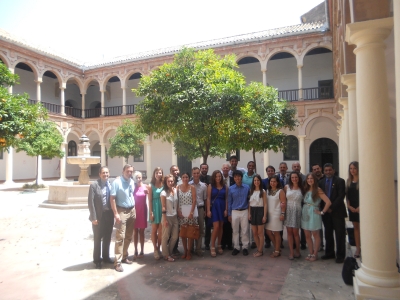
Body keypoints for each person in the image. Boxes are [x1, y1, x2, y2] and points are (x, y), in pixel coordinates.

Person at [318, 163, 347, 263]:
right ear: (324, 171)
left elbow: (341, 196)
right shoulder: (320, 182)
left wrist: (331, 207)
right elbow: (320, 198)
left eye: (330, 170)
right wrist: (325, 209)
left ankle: (340, 255)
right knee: (328, 233)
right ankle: (329, 253)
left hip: (337, 212)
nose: (328, 172)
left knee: (339, 234)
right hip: (326, 213)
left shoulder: (340, 181)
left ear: (333, 170)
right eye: (326, 170)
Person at [110, 164, 136, 272]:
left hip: (132, 210)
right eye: (127, 171)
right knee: (120, 236)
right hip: (121, 211)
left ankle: (125, 256)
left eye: (131, 171)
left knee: (129, 236)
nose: (129, 173)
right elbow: (112, 199)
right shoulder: (117, 182)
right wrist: (116, 213)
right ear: (123, 171)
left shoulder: (132, 181)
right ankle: (118, 262)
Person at [88, 166, 114, 269]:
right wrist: (93, 217)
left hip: (109, 215)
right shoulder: (94, 185)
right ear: (99, 174)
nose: (105, 174)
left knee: (108, 237)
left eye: (107, 173)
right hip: (99, 216)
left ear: (109, 173)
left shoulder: (111, 184)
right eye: (103, 173)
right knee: (98, 238)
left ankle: (106, 257)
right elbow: (91, 202)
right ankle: (97, 260)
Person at [301, 173, 331, 262]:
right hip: (305, 212)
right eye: (308, 178)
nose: (310, 180)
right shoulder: (306, 189)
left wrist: (322, 212)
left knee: (315, 234)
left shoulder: (318, 190)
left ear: (314, 180)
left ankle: (315, 253)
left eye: (311, 178)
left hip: (314, 213)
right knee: (307, 234)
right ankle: (310, 252)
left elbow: (328, 202)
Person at [228, 170, 250, 256]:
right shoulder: (231, 188)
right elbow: (229, 202)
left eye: (239, 176)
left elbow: (249, 200)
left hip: (244, 210)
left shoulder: (247, 187)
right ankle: (236, 247)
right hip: (235, 211)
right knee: (235, 230)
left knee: (245, 230)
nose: (237, 178)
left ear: (241, 177)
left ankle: (245, 247)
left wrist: (249, 212)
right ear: (234, 178)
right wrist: (229, 214)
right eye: (235, 176)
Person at [207, 170, 228, 257]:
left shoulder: (225, 186)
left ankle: (219, 245)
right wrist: (208, 210)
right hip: (214, 207)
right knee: (216, 227)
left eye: (219, 176)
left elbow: (226, 199)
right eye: (216, 176)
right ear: (214, 177)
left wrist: (226, 209)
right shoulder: (210, 186)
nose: (218, 178)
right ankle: (212, 246)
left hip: (222, 207)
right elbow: (208, 198)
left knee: (221, 227)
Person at [177, 172, 197, 260]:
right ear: (181, 178)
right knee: (183, 234)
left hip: (190, 214)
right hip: (181, 214)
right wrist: (178, 211)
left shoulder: (192, 187)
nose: (185, 178)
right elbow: (176, 200)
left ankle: (189, 252)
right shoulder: (178, 187)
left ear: (189, 178)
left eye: (187, 177)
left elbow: (194, 200)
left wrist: (191, 212)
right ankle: (185, 251)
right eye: (183, 177)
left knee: (190, 232)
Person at [284, 172, 304, 260]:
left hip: (297, 210)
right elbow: (283, 199)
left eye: (296, 177)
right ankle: (291, 252)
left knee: (296, 233)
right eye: (292, 177)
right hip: (288, 210)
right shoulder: (286, 187)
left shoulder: (302, 188)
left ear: (298, 178)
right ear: (290, 178)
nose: (294, 179)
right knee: (289, 233)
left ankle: (298, 251)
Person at [265, 175, 286, 258]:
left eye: (274, 181)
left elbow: (284, 203)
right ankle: (277, 247)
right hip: (269, 214)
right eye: (271, 181)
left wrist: (282, 214)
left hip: (277, 214)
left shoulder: (280, 191)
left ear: (277, 182)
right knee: (268, 232)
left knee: (277, 233)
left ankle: (277, 250)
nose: (272, 183)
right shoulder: (267, 191)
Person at [160, 174, 179, 262]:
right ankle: (166, 254)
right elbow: (163, 207)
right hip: (167, 217)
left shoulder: (175, 190)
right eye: (168, 181)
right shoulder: (163, 193)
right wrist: (164, 219)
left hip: (175, 217)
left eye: (172, 181)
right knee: (165, 237)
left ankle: (170, 252)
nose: (170, 183)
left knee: (175, 236)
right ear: (166, 182)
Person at [189, 167, 207, 256]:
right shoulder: (189, 185)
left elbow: (205, 199)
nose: (196, 175)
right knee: (191, 228)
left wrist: (205, 210)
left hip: (200, 208)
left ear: (199, 174)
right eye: (194, 173)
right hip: (191, 209)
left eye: (197, 173)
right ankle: (191, 248)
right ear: (192, 174)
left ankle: (198, 248)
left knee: (200, 229)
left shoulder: (203, 186)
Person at [248, 175, 267, 257]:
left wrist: (264, 215)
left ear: (260, 181)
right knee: (254, 233)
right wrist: (249, 213)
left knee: (260, 233)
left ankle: (260, 250)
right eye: (255, 180)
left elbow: (265, 204)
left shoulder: (263, 191)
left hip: (260, 211)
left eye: (258, 180)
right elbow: (249, 204)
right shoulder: (251, 191)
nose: (256, 182)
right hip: (253, 211)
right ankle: (258, 248)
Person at [148, 167, 164, 260]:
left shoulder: (164, 184)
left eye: (160, 173)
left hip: (162, 208)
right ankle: (155, 249)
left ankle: (159, 248)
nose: (159, 174)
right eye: (157, 173)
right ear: (154, 174)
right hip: (154, 207)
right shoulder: (150, 185)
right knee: (154, 229)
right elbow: (149, 200)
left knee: (161, 230)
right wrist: (151, 212)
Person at [346, 161, 360, 258]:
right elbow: (347, 196)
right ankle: (358, 249)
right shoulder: (348, 181)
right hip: (352, 208)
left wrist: (361, 207)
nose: (352, 170)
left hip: (361, 207)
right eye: (351, 168)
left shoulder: (362, 180)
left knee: (363, 228)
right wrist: (349, 206)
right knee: (356, 228)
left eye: (354, 168)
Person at [133, 171, 147, 259]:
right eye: (137, 177)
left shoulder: (145, 187)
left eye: (140, 177)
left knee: (142, 232)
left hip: (143, 211)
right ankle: (135, 249)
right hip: (134, 211)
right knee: (135, 232)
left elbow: (149, 199)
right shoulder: (132, 187)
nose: (139, 179)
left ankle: (142, 250)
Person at [220, 163, 234, 251]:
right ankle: (222, 243)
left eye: (227, 168)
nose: (225, 169)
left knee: (229, 224)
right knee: (222, 224)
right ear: (222, 169)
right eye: (224, 168)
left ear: (229, 170)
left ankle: (229, 243)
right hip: (221, 203)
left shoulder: (233, 179)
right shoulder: (219, 179)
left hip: (231, 203)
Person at [262, 165, 275, 249]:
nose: (270, 172)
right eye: (268, 171)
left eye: (271, 171)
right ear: (266, 172)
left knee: (277, 226)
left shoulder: (279, 180)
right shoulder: (263, 181)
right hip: (266, 204)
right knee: (266, 225)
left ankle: (279, 241)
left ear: (274, 171)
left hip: (276, 206)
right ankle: (267, 241)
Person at [312, 163, 324, 251]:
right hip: (316, 207)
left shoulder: (325, 179)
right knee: (317, 228)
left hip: (325, 206)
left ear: (320, 168)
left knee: (326, 227)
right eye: (314, 169)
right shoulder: (313, 180)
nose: (316, 170)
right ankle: (320, 245)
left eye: (318, 168)